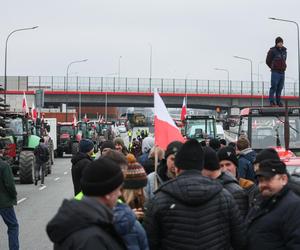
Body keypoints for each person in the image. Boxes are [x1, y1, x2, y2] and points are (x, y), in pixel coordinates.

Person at [144, 139, 246, 250]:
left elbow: (150, 243)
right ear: (201, 168)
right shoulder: (224, 196)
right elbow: (240, 241)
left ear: (177, 169)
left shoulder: (159, 200)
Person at [47, 158, 125, 250]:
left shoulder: (82, 219)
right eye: (118, 189)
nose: (120, 194)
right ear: (108, 193)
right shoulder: (92, 239)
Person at [247, 159, 300, 249]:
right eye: (260, 180)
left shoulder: (294, 206)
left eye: (267, 179)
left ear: (283, 179)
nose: (262, 184)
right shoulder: (260, 202)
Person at [202, 146, 249, 218]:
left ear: (235, 166)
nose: (225, 169)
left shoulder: (248, 186)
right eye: (221, 165)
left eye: (228, 164)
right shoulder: (216, 187)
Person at [0, 141, 19, 250]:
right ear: (2, 150)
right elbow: (10, 185)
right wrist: (14, 195)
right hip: (4, 202)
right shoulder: (4, 166)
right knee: (13, 226)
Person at [266, 36, 287, 107]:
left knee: (280, 87)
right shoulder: (272, 51)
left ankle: (279, 102)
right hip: (275, 72)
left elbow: (284, 60)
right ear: (276, 43)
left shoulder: (284, 51)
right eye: (280, 42)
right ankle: (272, 102)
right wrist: (272, 67)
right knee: (274, 87)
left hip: (282, 72)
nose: (281, 44)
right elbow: (268, 61)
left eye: (282, 42)